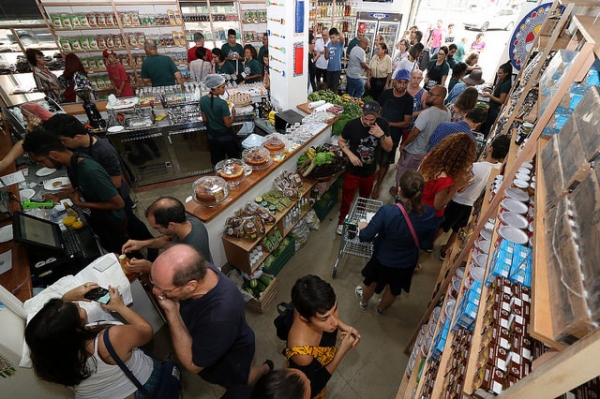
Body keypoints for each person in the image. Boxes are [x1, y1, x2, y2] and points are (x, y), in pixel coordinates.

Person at [150, 244, 272, 394]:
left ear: (191, 286)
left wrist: (172, 312)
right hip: (218, 342)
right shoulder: (200, 269)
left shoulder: (219, 316)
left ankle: (265, 369)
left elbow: (192, 364)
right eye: (154, 283)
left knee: (239, 382)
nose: (155, 292)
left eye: (163, 289)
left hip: (231, 360)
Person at [46, 113, 157, 261]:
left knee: (133, 225)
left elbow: (116, 183)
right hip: (100, 197)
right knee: (127, 227)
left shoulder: (104, 150)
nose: (63, 145)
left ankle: (152, 248)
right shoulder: (76, 149)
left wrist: (89, 182)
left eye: (64, 141)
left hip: (116, 196)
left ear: (78, 136)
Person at [25, 284, 157, 398]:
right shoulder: (110, 339)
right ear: (75, 329)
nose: (77, 303)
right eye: (77, 308)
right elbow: (146, 332)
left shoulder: (47, 354)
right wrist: (120, 307)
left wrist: (68, 297)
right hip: (138, 390)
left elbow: (54, 326)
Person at [22, 132, 128, 254]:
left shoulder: (89, 170)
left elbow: (118, 204)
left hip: (112, 221)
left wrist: (80, 204)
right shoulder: (72, 162)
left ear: (54, 155)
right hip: (100, 217)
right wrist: (58, 196)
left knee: (124, 253)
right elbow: (82, 187)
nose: (42, 165)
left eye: (41, 161)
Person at [355, 170, 437, 315]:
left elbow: (366, 235)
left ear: (399, 188)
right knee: (394, 288)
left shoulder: (388, 212)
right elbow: (425, 244)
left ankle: (364, 302)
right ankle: (381, 310)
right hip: (406, 262)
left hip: (383, 258)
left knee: (371, 282)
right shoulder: (430, 213)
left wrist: (362, 226)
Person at [285, 275, 360, 398]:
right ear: (304, 317)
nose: (335, 322)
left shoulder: (306, 302)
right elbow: (311, 389)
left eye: (335, 309)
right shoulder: (301, 354)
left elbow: (327, 313)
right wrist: (342, 351)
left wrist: (345, 326)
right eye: (324, 318)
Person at [438, 135, 510, 260]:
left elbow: (461, 188)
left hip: (459, 201)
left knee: (443, 226)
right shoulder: (499, 169)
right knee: (458, 229)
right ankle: (445, 251)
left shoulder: (476, 167)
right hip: (473, 206)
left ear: (490, 149)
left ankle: (428, 244)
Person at [337, 101, 392, 234]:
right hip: (352, 171)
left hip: (370, 171)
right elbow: (341, 141)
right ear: (362, 113)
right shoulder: (351, 125)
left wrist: (381, 135)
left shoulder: (383, 124)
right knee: (346, 198)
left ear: (377, 116)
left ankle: (358, 219)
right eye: (366, 119)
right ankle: (341, 221)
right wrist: (350, 155)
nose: (368, 123)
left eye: (372, 120)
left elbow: (389, 147)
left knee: (364, 198)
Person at [121, 196, 212, 273]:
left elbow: (180, 279)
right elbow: (167, 240)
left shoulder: (191, 252)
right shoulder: (184, 220)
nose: (155, 231)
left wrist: (150, 267)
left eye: (157, 228)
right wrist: (141, 244)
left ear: (171, 225)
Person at [392, 85, 451, 196]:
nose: (427, 96)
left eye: (431, 94)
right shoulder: (447, 112)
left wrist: (404, 144)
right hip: (428, 152)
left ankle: (398, 192)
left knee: (404, 172)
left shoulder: (427, 113)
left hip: (415, 150)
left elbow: (415, 132)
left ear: (440, 97)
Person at [420, 133, 477, 240]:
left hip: (417, 203)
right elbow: (438, 205)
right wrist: (456, 187)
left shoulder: (430, 157)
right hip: (428, 215)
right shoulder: (445, 180)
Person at [372, 69, 413, 199]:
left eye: (405, 83)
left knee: (385, 161)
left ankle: (377, 186)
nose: (402, 85)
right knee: (373, 157)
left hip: (392, 136)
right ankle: (375, 174)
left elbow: (406, 123)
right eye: (399, 82)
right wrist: (378, 122)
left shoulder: (408, 100)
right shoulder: (387, 94)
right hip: (377, 132)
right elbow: (379, 110)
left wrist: (388, 124)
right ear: (394, 81)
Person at [0, 102, 53, 172]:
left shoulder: (49, 127)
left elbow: (32, 147)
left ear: (36, 115)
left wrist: (30, 129)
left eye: (26, 115)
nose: (24, 119)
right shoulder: (40, 126)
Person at [200, 74, 240, 165]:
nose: (224, 89)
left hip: (212, 138)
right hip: (225, 137)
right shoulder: (222, 104)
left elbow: (205, 119)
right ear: (215, 88)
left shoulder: (203, 100)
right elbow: (228, 124)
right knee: (234, 160)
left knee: (218, 162)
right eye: (222, 87)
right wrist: (233, 113)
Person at [481, 62, 513, 137]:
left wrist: (489, 95)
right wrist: (490, 91)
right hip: (492, 107)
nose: (498, 75)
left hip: (495, 110)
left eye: (500, 73)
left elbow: (501, 100)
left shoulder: (506, 84)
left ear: (506, 73)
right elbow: (497, 93)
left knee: (488, 127)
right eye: (497, 73)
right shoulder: (502, 80)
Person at [324, 27, 345, 94]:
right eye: (331, 38)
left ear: (337, 36)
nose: (332, 39)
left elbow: (342, 38)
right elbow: (326, 57)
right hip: (329, 69)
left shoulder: (340, 44)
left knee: (335, 88)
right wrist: (325, 50)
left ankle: (335, 101)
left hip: (337, 69)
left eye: (333, 37)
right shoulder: (329, 44)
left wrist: (338, 31)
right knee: (329, 87)